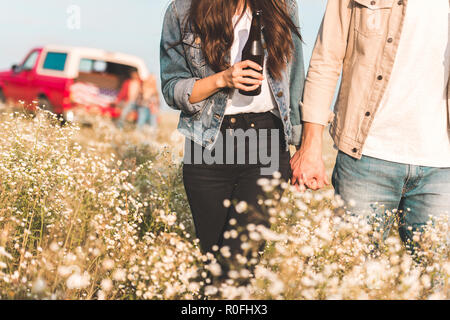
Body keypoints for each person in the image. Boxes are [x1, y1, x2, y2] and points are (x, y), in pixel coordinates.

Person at [160, 0, 305, 274]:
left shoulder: (282, 6)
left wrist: (302, 146)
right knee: (214, 261)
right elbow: (171, 89)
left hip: (267, 139)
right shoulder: (182, 10)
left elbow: (296, 79)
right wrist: (222, 79)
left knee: (240, 263)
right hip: (209, 143)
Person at [291, 0, 450, 246]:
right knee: (351, 274)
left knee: (437, 282)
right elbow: (326, 59)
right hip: (365, 159)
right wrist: (310, 148)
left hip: (441, 166)